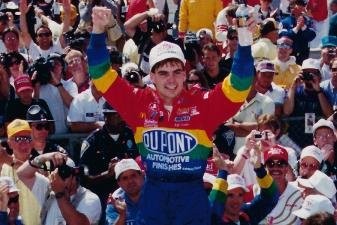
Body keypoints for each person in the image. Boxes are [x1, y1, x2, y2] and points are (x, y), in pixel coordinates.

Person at [87, 6, 255, 225]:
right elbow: (100, 74)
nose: (171, 80)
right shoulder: (139, 102)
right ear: (152, 77)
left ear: (185, 74)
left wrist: (244, 41)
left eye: (177, 72)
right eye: (163, 73)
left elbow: (239, 85)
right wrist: (98, 31)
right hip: (154, 197)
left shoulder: (202, 104)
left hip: (192, 198)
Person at [80, 102, 138, 221]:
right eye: (118, 116)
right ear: (106, 117)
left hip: (131, 194)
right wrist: (107, 174)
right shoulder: (92, 142)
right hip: (103, 195)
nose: (122, 119)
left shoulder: (132, 136)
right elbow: (83, 179)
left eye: (123, 115)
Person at [16, 152, 102, 225]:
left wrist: (59, 193)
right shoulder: (49, 189)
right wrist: (42, 158)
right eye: (55, 173)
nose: (58, 178)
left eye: (63, 173)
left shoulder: (90, 199)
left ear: (75, 175)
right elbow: (22, 173)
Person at [210, 147, 280, 224]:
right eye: (230, 195)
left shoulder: (247, 215)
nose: (236, 200)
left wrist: (260, 169)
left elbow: (271, 197)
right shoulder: (214, 219)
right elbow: (213, 209)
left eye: (240, 195)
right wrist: (223, 171)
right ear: (222, 198)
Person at [283, 58, 333, 148]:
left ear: (320, 76)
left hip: (317, 140)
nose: (309, 76)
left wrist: (318, 90)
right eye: (306, 73)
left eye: (313, 73)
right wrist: (293, 87)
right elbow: (287, 111)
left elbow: (329, 114)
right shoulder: (295, 91)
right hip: (295, 139)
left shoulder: (323, 93)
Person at [1, 119, 41, 225]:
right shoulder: (3, 169)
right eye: (18, 138)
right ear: (9, 143)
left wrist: (10, 161)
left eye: (27, 138)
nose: (23, 143)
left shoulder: (41, 162)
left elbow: (41, 174)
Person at [259, 145, 303, 225]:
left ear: (287, 168)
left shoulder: (299, 194)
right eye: (271, 164)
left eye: (280, 164)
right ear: (265, 168)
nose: (275, 168)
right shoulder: (255, 191)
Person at [105, 159, 144, 225]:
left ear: (142, 175)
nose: (130, 181)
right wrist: (122, 215)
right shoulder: (115, 201)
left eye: (133, 175)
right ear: (119, 183)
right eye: (125, 178)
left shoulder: (158, 194)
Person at [279, 0, 316, 64]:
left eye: (298, 4)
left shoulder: (308, 21)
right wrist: (297, 28)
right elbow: (283, 36)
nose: (295, 7)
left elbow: (312, 36)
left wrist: (303, 26)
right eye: (292, 5)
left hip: (303, 55)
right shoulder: (284, 21)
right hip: (288, 56)